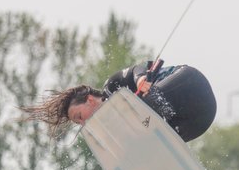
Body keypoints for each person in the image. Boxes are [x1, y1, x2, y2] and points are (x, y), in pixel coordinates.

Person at [21, 61, 216, 143]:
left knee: (140, 115)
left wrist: (140, 79)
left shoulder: (112, 87)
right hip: (199, 118)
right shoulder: (115, 131)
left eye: (79, 117)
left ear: (89, 100)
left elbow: (139, 68)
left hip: (190, 85)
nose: (83, 123)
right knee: (149, 149)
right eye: (78, 123)